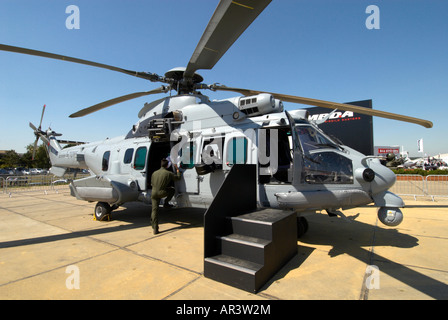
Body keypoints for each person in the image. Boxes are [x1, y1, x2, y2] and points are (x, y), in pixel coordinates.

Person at [150, 159, 181, 234]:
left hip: (153, 193)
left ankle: (155, 228)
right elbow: (178, 178)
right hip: (162, 192)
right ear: (167, 166)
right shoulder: (168, 173)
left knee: (154, 211)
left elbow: (152, 184)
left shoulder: (154, 173)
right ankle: (166, 203)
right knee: (172, 190)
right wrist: (177, 169)